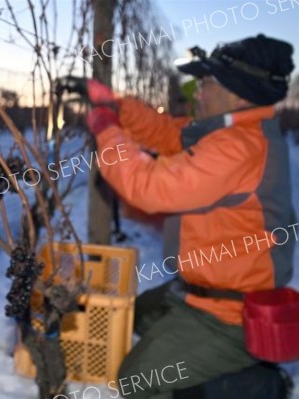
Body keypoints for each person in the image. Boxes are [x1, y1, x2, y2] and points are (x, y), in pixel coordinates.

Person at [66, 34, 296, 398]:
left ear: (237, 95)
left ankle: (256, 384)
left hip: (230, 315)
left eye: (205, 84)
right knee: (133, 316)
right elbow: (165, 133)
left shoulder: (238, 147)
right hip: (200, 292)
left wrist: (106, 127)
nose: (197, 93)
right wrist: (114, 105)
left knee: (135, 380)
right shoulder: (227, 132)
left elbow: (148, 186)